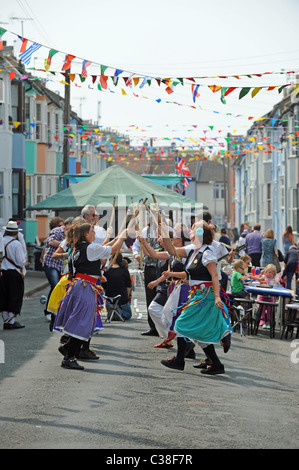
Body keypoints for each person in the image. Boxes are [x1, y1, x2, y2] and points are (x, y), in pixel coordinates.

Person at [53, 223, 130, 370]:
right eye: (92, 231)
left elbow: (89, 262)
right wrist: (123, 236)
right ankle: (69, 357)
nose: (94, 234)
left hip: (80, 286)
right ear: (86, 234)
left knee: (81, 320)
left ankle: (69, 348)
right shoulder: (89, 248)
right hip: (84, 288)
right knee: (82, 322)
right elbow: (112, 249)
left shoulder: (77, 248)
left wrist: (119, 236)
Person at [160, 221, 232, 375]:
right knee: (200, 333)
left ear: (198, 233)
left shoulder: (207, 253)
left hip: (205, 295)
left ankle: (180, 360)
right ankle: (217, 364)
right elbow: (172, 250)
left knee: (180, 323)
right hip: (198, 294)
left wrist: (218, 297)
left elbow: (214, 275)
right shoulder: (193, 249)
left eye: (193, 228)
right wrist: (165, 232)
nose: (190, 230)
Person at [132, 222, 161, 336]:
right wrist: (136, 255)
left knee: (162, 296)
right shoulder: (145, 231)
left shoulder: (166, 230)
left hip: (162, 267)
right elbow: (136, 245)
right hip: (149, 267)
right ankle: (153, 327)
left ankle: (164, 326)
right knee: (150, 295)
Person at [42, 217, 71, 321]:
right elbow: (51, 242)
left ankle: (57, 310)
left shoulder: (70, 234)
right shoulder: (57, 230)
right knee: (54, 285)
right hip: (50, 263)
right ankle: (48, 311)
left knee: (60, 288)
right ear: (66, 225)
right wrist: (64, 243)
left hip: (60, 265)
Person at [0, 220, 27, 329]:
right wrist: (25, 261)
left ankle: (6, 320)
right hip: (14, 274)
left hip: (2, 273)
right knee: (14, 297)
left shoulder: (1, 241)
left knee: (4, 296)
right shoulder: (16, 244)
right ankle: (11, 322)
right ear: (16, 233)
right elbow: (21, 261)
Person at [101, 253, 132, 320]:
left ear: (111, 259)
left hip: (109, 298)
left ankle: (113, 312)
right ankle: (119, 312)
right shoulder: (124, 271)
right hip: (122, 298)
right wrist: (127, 296)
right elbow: (128, 286)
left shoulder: (107, 271)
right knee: (128, 314)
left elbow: (104, 286)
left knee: (111, 306)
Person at [256, 264, 277, 329]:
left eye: (272, 273)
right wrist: (261, 274)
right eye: (269, 272)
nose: (270, 274)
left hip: (270, 297)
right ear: (265, 272)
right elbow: (258, 280)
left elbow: (275, 287)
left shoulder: (273, 280)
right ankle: (262, 321)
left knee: (269, 310)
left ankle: (268, 322)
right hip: (262, 296)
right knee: (262, 310)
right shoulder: (263, 277)